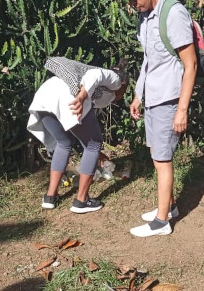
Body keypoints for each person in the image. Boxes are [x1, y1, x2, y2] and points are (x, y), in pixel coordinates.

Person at [114, 0, 197, 237]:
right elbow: (150, 60)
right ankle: (169, 206)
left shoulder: (173, 14)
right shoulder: (145, 16)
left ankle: (162, 222)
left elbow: (191, 64)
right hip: (153, 97)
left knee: (162, 160)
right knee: (155, 153)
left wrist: (182, 109)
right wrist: (138, 95)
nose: (130, 3)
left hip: (169, 98)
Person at [27, 58, 129, 213]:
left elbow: (86, 128)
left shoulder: (103, 93)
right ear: (124, 84)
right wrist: (81, 97)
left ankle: (50, 197)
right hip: (68, 98)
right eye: (125, 90)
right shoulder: (115, 79)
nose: (122, 96)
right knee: (93, 144)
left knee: (64, 142)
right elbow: (94, 74)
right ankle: (81, 201)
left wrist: (95, 152)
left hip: (44, 97)